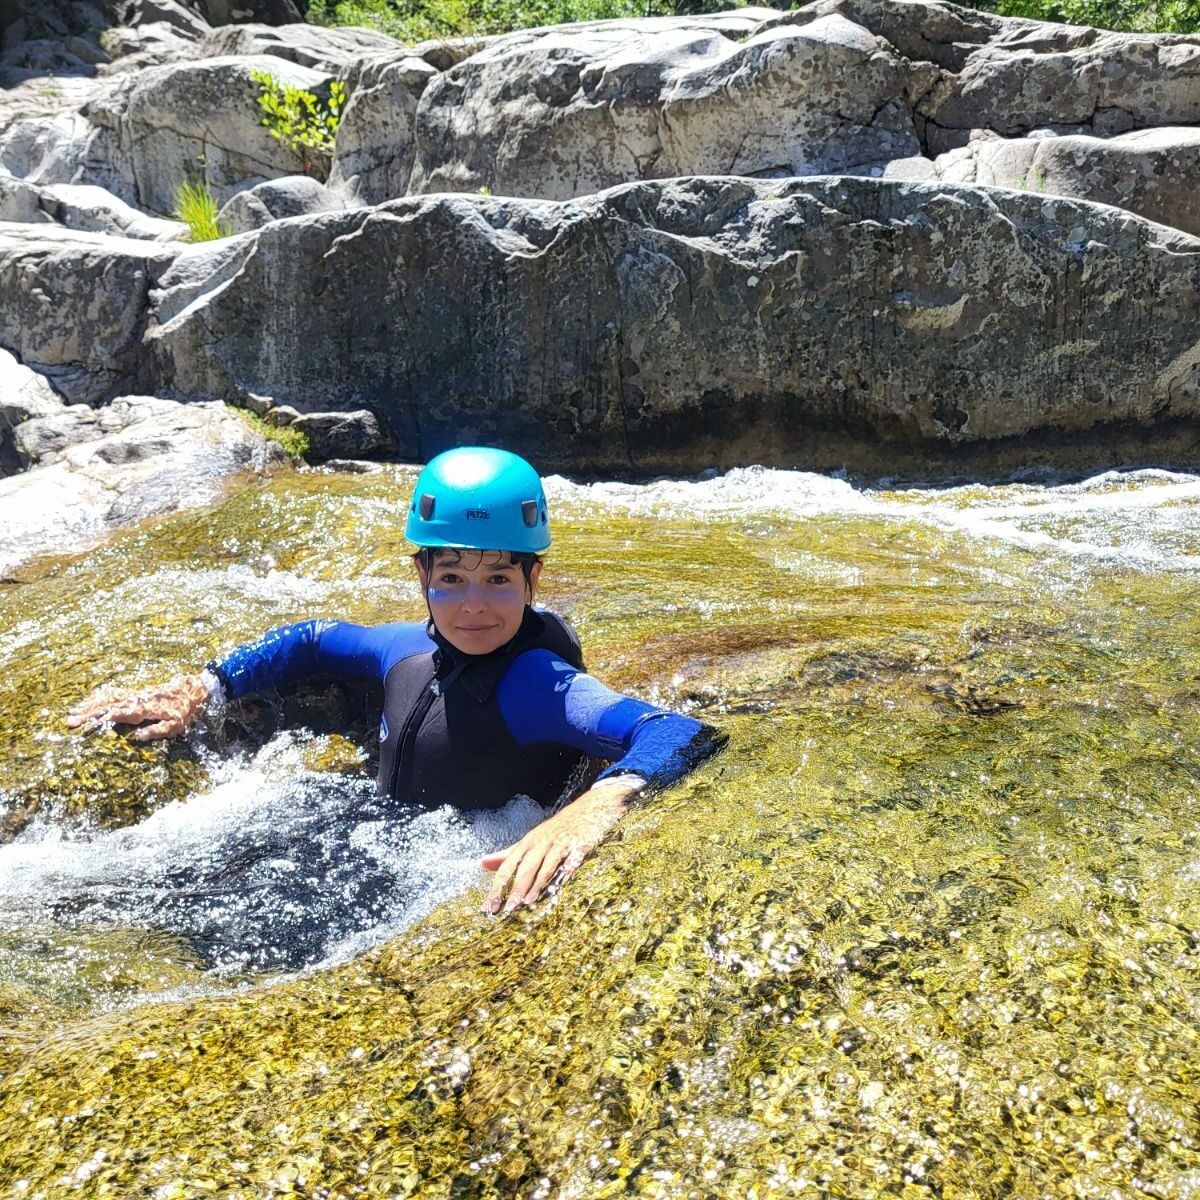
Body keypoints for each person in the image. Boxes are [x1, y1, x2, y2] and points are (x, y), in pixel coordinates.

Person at [67, 447, 725, 914]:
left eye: (498, 579)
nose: (474, 605)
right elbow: (313, 637)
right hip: (377, 839)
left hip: (445, 864)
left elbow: (678, 733)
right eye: (452, 579)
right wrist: (206, 686)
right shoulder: (406, 649)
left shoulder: (540, 685)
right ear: (422, 580)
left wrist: (596, 807)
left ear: (533, 581)